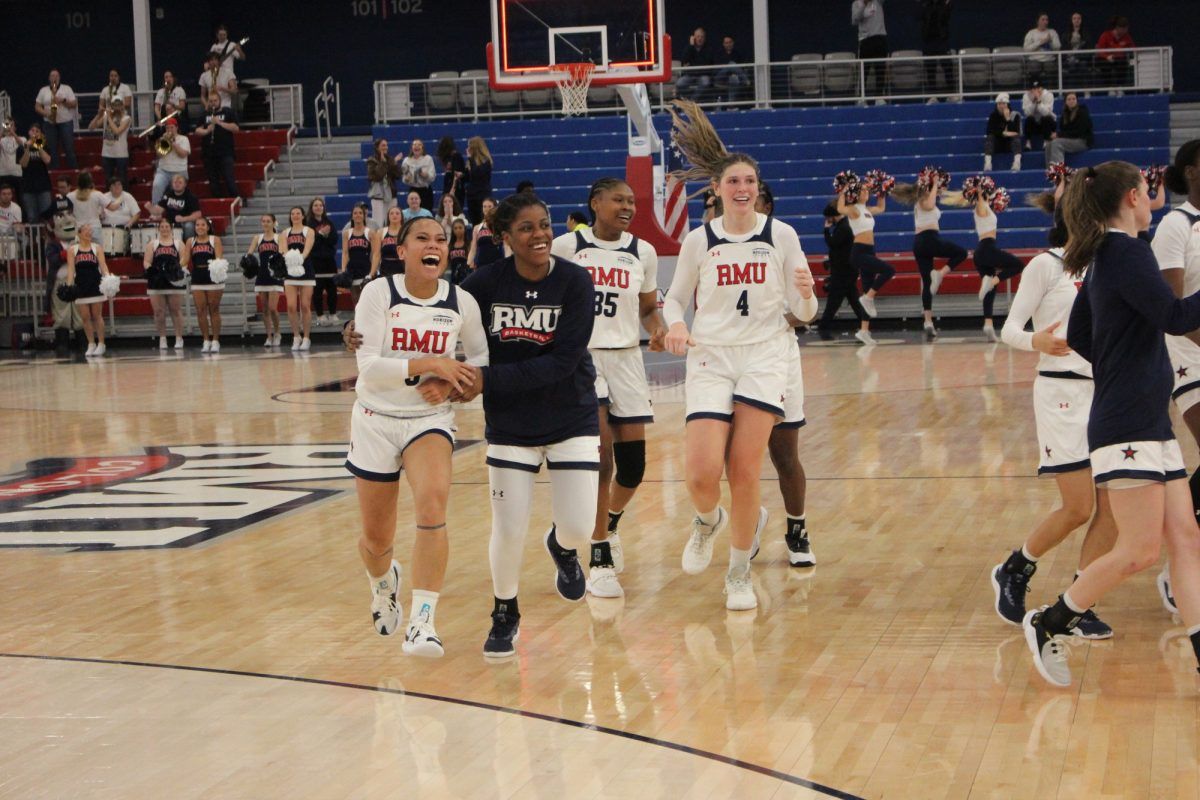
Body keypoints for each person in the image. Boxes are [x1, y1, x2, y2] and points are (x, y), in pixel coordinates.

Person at [1024, 161, 1200, 688]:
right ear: (1130, 197)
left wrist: (1123, 364)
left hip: (1144, 416)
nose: (1153, 200)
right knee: (1141, 550)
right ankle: (1050, 622)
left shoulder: (1105, 255)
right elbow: (1173, 317)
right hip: (1128, 424)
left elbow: (1079, 330)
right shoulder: (1124, 252)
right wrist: (1125, 372)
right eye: (1148, 193)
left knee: (1186, 539)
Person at [663, 152, 817, 610]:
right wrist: (676, 325)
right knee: (700, 474)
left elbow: (804, 314)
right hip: (710, 356)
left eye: (750, 179)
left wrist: (807, 296)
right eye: (733, 180)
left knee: (745, 468)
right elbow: (673, 300)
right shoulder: (699, 240)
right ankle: (708, 521)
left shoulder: (780, 235)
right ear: (718, 187)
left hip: (764, 356)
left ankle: (737, 572)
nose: (742, 187)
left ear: (757, 186)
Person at [454, 192, 602, 657]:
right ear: (504, 238)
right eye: (526, 228)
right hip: (510, 425)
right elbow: (433, 313)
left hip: (571, 415)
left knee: (580, 530)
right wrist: (366, 333)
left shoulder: (576, 282)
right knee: (508, 527)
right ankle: (505, 610)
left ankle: (560, 547)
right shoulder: (481, 285)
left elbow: (562, 362)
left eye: (544, 225)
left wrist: (486, 379)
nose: (539, 235)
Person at [346, 215, 489, 657]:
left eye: (442, 240)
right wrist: (432, 363)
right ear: (401, 250)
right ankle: (383, 580)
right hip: (374, 417)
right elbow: (368, 366)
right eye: (423, 238)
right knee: (376, 540)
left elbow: (482, 359)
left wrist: (454, 383)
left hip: (428, 419)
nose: (434, 245)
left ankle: (422, 622)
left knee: (432, 505)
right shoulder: (377, 293)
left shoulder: (461, 301)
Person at [994, 203, 1116, 638]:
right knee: (1079, 507)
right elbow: (1009, 329)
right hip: (1060, 391)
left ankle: (1080, 605)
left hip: (1104, 390)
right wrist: (1036, 340)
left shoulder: (1108, 264)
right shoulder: (1045, 266)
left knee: (1114, 505)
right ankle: (1016, 567)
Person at [548, 178, 666, 599]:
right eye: (619, 199)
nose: (628, 206)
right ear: (595, 203)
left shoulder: (643, 252)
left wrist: (658, 329)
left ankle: (608, 520)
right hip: (582, 360)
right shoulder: (567, 247)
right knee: (601, 458)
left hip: (627, 359)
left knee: (633, 467)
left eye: (632, 201)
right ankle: (598, 554)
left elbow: (649, 308)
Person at [1153, 139, 1200, 611]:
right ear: (1189, 171)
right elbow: (1172, 309)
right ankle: (1177, 563)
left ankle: (1185, 554)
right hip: (1188, 351)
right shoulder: (1174, 224)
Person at [892, 168, 968, 340]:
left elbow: (937, 200)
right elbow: (931, 204)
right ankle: (940, 274)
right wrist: (934, 185)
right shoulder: (922, 200)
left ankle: (928, 321)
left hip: (920, 243)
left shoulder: (924, 198)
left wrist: (938, 187)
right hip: (929, 239)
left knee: (927, 283)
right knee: (961, 253)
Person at [835, 172, 892, 342]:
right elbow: (840, 208)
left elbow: (881, 208)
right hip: (859, 252)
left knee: (867, 286)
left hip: (870, 251)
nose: (867, 192)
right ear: (856, 194)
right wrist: (843, 192)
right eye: (863, 191)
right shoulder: (853, 209)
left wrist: (882, 191)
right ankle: (867, 298)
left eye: (868, 191)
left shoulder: (867, 210)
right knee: (889, 270)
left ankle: (863, 331)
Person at [967, 176, 1023, 340]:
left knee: (990, 291)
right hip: (986, 249)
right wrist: (979, 192)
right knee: (1018, 265)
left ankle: (988, 325)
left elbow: (988, 201)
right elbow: (981, 202)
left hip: (982, 252)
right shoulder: (980, 207)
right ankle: (990, 281)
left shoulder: (985, 207)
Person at [816, 203, 869, 339]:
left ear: (833, 217)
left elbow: (833, 244)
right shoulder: (845, 225)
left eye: (828, 218)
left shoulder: (844, 227)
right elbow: (841, 249)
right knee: (853, 299)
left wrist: (826, 230)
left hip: (843, 271)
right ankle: (865, 323)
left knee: (834, 299)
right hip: (847, 269)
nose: (828, 221)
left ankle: (824, 325)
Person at [66, 223, 111, 357]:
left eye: (89, 231)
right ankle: (91, 343)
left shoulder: (97, 248)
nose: (88, 233)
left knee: (97, 316)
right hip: (81, 285)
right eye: (85, 230)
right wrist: (69, 286)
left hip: (95, 285)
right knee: (85, 317)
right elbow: (70, 269)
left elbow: (103, 266)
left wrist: (108, 279)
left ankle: (101, 343)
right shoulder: (72, 250)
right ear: (79, 234)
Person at [144, 217, 188, 350]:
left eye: (167, 227)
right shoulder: (153, 244)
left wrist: (175, 269)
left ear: (171, 228)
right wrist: (152, 270)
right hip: (157, 280)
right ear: (158, 229)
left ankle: (179, 338)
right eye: (162, 227)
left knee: (175, 310)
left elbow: (184, 260)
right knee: (158, 311)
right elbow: (146, 262)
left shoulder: (179, 243)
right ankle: (162, 338)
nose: (164, 229)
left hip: (174, 280)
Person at [186, 216, 224, 353]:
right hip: (197, 277)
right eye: (197, 225)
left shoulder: (215, 240)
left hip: (213, 277)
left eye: (203, 225)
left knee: (214, 309)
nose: (200, 227)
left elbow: (219, 258)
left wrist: (217, 270)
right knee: (200, 310)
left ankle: (215, 340)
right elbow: (185, 259)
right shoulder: (190, 241)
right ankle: (206, 340)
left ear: (208, 227)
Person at [282, 206, 316, 351]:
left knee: (305, 305)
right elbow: (283, 250)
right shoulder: (284, 233)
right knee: (290, 306)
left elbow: (307, 249)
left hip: (306, 269)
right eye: (293, 213)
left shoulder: (309, 231)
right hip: (290, 270)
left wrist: (299, 258)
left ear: (303, 216)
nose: (295, 215)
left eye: (298, 213)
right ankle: (296, 336)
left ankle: (307, 337)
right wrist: (290, 260)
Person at [194, 91, 239, 199]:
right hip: (209, 153)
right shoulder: (205, 115)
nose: (213, 103)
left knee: (229, 178)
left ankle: (236, 199)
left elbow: (236, 128)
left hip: (225, 152)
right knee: (213, 182)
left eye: (215, 101)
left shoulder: (227, 112)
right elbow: (197, 130)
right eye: (211, 101)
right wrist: (207, 130)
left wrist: (220, 123)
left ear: (220, 101)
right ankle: (219, 202)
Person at [249, 214, 284, 347]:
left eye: (268, 221)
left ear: (274, 223)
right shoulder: (257, 238)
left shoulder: (279, 237)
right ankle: (268, 336)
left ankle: (277, 332)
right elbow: (249, 254)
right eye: (263, 221)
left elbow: (282, 254)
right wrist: (247, 261)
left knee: (273, 308)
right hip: (262, 275)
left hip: (275, 275)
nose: (266, 223)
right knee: (264, 309)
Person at [34, 69, 77, 169]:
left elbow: (74, 104)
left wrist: (63, 100)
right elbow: (37, 106)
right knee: (51, 148)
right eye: (52, 76)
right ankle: (53, 172)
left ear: (59, 78)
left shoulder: (67, 89)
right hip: (49, 123)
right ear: (49, 78)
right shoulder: (43, 90)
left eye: (56, 76)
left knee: (69, 147)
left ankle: (73, 170)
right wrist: (46, 113)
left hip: (65, 122)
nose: (54, 78)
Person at [307, 198, 339, 326]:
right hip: (315, 261)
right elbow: (311, 243)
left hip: (329, 260)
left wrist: (324, 236)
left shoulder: (329, 222)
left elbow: (334, 240)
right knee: (317, 289)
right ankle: (320, 315)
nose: (318, 207)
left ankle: (332, 313)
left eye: (320, 205)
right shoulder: (308, 224)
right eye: (315, 205)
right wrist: (320, 234)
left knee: (332, 288)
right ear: (312, 208)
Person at [146, 173, 202, 241]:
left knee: (189, 226)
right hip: (169, 222)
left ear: (185, 184)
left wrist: (183, 219)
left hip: (185, 222)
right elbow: (158, 211)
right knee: (161, 225)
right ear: (172, 184)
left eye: (180, 182)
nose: (177, 184)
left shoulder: (190, 197)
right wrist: (150, 208)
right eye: (175, 182)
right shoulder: (168, 195)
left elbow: (198, 215)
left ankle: (188, 247)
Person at [149, 118, 191, 208]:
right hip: (163, 171)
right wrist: (165, 142)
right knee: (156, 185)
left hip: (179, 171)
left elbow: (183, 154)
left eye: (171, 127)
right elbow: (159, 155)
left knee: (176, 192)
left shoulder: (184, 139)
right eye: (167, 128)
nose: (169, 130)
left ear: (176, 128)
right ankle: (155, 210)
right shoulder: (163, 139)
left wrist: (174, 144)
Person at [89, 95, 130, 187]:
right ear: (111, 106)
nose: (117, 108)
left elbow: (117, 131)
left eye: (119, 105)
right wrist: (99, 115)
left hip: (121, 154)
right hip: (107, 154)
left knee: (122, 180)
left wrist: (109, 117)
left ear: (122, 106)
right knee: (108, 181)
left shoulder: (126, 118)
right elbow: (91, 128)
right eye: (115, 105)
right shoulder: (105, 117)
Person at [851, 0, 888, 99]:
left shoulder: (878, 2)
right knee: (863, 71)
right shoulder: (856, 4)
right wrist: (863, 4)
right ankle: (861, 98)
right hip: (865, 41)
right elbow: (854, 20)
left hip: (879, 38)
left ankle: (879, 98)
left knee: (880, 70)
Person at [1045, 92, 1093, 166]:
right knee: (1049, 144)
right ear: (1065, 102)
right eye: (1069, 99)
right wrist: (1058, 135)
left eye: (1073, 99)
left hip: (1082, 140)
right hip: (1070, 139)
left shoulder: (1082, 112)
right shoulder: (1064, 114)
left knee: (1057, 143)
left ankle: (1060, 170)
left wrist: (1059, 134)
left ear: (1077, 100)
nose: (1071, 101)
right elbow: (1063, 130)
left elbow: (1079, 132)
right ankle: (1050, 169)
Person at [18, 124, 51, 225]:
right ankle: (35, 240)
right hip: (28, 187)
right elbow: (23, 164)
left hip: (43, 186)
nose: (34, 133)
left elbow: (47, 160)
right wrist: (27, 148)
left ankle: (47, 240)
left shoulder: (44, 145)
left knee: (47, 217)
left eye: (37, 131)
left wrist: (38, 147)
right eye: (32, 131)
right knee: (32, 217)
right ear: (28, 133)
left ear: (40, 134)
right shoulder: (22, 147)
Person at [919, 0, 953, 98]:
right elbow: (919, 16)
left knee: (948, 68)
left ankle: (951, 95)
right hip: (929, 42)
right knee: (930, 70)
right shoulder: (925, 5)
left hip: (941, 41)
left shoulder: (944, 4)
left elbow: (946, 16)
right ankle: (932, 97)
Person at [340, 202, 372, 303]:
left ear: (364, 216)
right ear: (352, 216)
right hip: (352, 269)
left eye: (360, 213)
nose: (358, 215)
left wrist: (372, 272)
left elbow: (375, 254)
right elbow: (345, 253)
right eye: (355, 213)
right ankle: (358, 319)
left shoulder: (370, 232)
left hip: (366, 268)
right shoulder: (347, 233)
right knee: (355, 300)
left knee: (367, 300)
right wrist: (344, 269)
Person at [983, 93, 1022, 172]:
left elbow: (1016, 132)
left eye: (1003, 104)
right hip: (997, 144)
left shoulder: (1015, 115)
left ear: (1007, 104)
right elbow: (989, 131)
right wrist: (1003, 133)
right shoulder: (993, 116)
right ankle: (987, 163)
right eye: (999, 104)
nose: (1001, 106)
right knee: (990, 138)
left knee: (1016, 139)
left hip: (1010, 144)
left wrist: (1008, 119)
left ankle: (1017, 162)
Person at [1096, 16, 1135, 93]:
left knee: (1123, 63)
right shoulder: (1106, 35)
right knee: (1105, 66)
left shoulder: (1127, 37)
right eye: (1123, 29)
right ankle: (1110, 88)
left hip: (1120, 59)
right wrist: (1107, 56)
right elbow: (1099, 50)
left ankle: (1120, 87)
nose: (1125, 31)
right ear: (1117, 28)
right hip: (1106, 59)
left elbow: (1133, 48)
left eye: (1126, 29)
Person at [366, 139, 400, 227]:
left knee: (392, 222)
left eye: (386, 145)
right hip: (378, 195)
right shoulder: (371, 160)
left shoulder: (390, 159)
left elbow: (398, 175)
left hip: (391, 194)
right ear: (377, 148)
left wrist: (394, 163)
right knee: (378, 223)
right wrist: (383, 163)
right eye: (383, 145)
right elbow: (377, 177)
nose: (386, 147)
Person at [676, 27, 716, 102]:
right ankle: (686, 100)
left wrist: (693, 64)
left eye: (702, 37)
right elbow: (684, 60)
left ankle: (692, 101)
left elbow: (707, 62)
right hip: (691, 75)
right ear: (694, 37)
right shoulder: (690, 48)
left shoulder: (709, 49)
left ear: (704, 38)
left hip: (703, 75)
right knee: (679, 83)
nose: (700, 39)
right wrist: (691, 46)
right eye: (698, 36)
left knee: (705, 81)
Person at [1022, 13, 1061, 86]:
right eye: (1043, 20)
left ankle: (1051, 91)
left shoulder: (1052, 32)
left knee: (1051, 69)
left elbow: (1058, 47)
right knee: (1033, 68)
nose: (1045, 22)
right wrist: (1040, 42)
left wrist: (1049, 42)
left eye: (1046, 20)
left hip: (1049, 59)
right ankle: (1035, 90)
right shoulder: (1031, 33)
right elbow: (1026, 49)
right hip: (1035, 59)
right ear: (1038, 21)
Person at [66, 171, 104, 240]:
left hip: (78, 229)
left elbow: (67, 214)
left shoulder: (70, 196)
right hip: (94, 228)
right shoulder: (98, 195)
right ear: (91, 182)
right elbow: (111, 207)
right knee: (97, 250)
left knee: (78, 250)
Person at [401, 139, 436, 211]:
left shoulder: (428, 158)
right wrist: (406, 179)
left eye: (419, 145)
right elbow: (404, 178)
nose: (417, 146)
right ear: (411, 148)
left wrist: (425, 175)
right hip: (413, 190)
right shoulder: (406, 160)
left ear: (422, 148)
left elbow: (432, 177)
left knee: (426, 214)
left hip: (425, 191)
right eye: (414, 144)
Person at [465, 137, 494, 225]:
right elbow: (469, 177)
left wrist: (470, 159)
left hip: (482, 194)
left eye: (469, 147)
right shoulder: (470, 162)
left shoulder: (486, 161)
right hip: (472, 195)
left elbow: (477, 174)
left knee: (484, 220)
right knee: (475, 221)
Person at [713, 36, 750, 105]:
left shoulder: (737, 54)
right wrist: (730, 70)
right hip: (720, 78)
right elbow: (717, 69)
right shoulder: (719, 54)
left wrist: (733, 73)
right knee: (731, 64)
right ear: (723, 44)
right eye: (726, 43)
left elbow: (740, 68)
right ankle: (745, 80)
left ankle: (731, 104)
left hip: (733, 77)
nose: (728, 44)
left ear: (733, 43)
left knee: (734, 79)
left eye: (730, 42)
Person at [467, 196, 502, 269]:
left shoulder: (500, 225)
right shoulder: (477, 228)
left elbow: (506, 246)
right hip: (481, 264)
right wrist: (469, 263)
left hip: (497, 263)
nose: (487, 209)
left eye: (490, 206)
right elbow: (473, 247)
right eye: (484, 206)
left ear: (495, 208)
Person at [371, 206, 405, 279]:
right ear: (388, 217)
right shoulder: (381, 232)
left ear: (401, 216)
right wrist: (372, 272)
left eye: (397, 213)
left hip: (403, 268)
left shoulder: (406, 231)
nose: (394, 215)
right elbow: (376, 254)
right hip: (386, 269)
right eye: (391, 213)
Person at [1022, 82, 1056, 152]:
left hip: (1049, 123)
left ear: (1042, 88)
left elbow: (1046, 113)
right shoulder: (1026, 96)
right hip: (1035, 124)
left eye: (1038, 88)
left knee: (1045, 118)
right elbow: (1027, 113)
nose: (1036, 91)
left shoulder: (1048, 95)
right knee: (1029, 119)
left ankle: (1046, 142)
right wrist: (1034, 102)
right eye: (1034, 89)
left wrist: (1039, 102)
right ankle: (1028, 143)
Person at [436, 136, 466, 209]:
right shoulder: (451, 158)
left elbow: (456, 175)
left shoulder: (456, 156)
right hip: (450, 186)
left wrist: (452, 189)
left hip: (455, 188)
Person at [1064, 12, 1092, 87]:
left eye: (1079, 18)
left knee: (1083, 65)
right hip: (1070, 59)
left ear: (1081, 20)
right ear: (1071, 20)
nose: (1076, 20)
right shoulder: (1066, 34)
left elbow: (1089, 50)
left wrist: (1078, 57)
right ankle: (1071, 90)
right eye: (1074, 18)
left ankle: (1086, 90)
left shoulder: (1086, 34)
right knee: (1071, 65)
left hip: (1082, 58)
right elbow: (1063, 49)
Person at [447, 219, 471, 285]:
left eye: (460, 227)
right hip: (453, 277)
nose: (458, 230)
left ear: (464, 228)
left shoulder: (469, 244)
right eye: (455, 228)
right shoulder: (450, 245)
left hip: (467, 277)